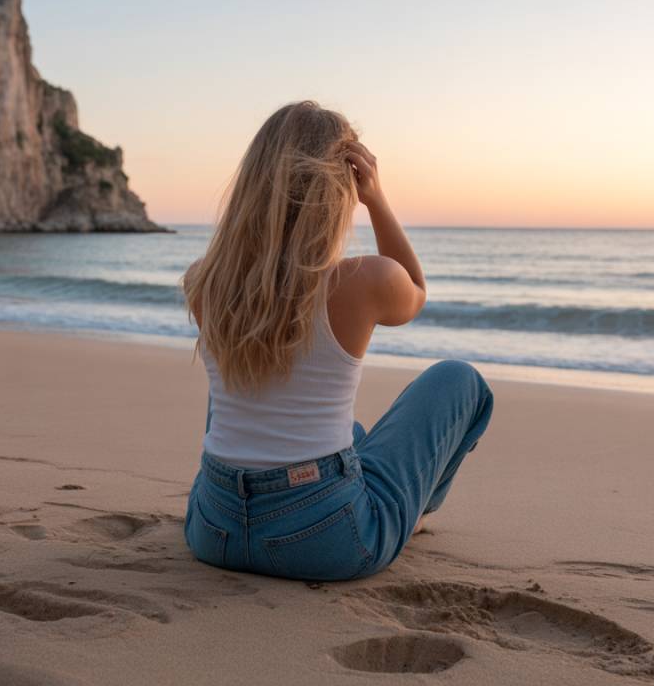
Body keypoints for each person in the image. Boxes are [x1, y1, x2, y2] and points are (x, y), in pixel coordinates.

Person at [180, 100, 494, 582]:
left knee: (278, 390)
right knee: (460, 380)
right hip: (323, 538)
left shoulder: (204, 282)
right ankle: (414, 514)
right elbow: (416, 289)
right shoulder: (364, 280)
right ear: (338, 189)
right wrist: (377, 200)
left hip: (212, 529)